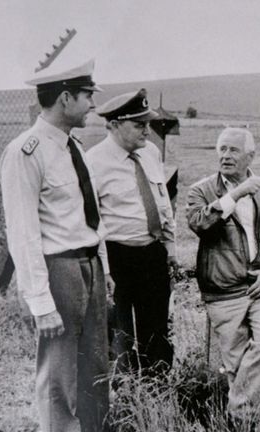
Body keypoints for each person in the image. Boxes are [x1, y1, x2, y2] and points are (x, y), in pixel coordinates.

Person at [0, 60, 111, 432]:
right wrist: (41, 303)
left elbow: (89, 218)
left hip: (89, 265)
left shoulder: (73, 146)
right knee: (60, 370)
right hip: (58, 268)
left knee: (95, 365)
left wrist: (103, 272)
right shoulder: (25, 152)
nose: (92, 104)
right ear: (65, 97)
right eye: (87, 95)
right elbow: (23, 234)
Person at [186, 127, 260, 423]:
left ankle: (236, 408)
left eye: (233, 150)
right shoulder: (200, 190)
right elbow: (198, 223)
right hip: (222, 291)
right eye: (221, 149)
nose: (225, 155)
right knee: (236, 366)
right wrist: (234, 195)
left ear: (250, 156)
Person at [87, 89, 175, 376]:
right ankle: (125, 400)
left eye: (148, 124)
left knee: (157, 333)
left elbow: (163, 203)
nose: (147, 131)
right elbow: (91, 221)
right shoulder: (93, 162)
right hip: (116, 256)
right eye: (139, 125)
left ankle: (158, 395)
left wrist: (169, 249)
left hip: (152, 253)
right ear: (113, 125)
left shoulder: (150, 153)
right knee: (119, 336)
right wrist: (105, 270)